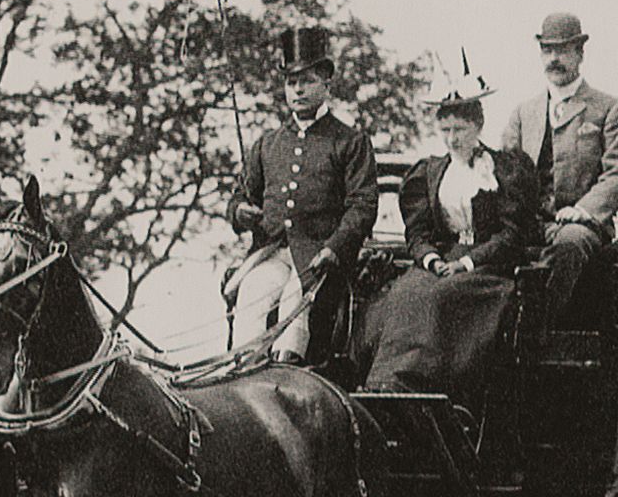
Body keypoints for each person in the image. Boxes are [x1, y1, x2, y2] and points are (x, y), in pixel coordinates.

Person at [363, 71, 544, 396]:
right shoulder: (430, 172)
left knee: (440, 296)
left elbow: (511, 235)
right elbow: (417, 233)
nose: (452, 139)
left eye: (459, 130)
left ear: (478, 126)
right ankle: (383, 385)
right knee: (405, 293)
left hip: (488, 267)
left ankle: (421, 384)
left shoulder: (505, 170)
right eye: (445, 130)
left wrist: (468, 263)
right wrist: (430, 260)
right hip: (442, 260)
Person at [226, 26, 379, 365]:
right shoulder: (268, 143)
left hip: (319, 256)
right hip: (272, 251)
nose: (297, 89)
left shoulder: (349, 142)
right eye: (291, 82)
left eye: (306, 81)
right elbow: (239, 196)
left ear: (326, 83)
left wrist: (334, 248)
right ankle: (241, 369)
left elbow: (363, 206)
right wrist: (240, 213)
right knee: (253, 292)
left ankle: (287, 367)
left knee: (298, 301)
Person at [498, 12, 618, 313]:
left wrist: (584, 211)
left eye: (562, 50)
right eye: (547, 50)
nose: (554, 59)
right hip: (530, 223)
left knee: (569, 243)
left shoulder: (608, 109)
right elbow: (504, 172)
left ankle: (541, 327)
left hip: (582, 226)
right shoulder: (524, 113)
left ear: (580, 53)